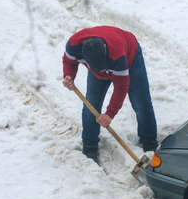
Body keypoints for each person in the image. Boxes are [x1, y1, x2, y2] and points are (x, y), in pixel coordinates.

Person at [62, 25, 158, 163]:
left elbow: (121, 87)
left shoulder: (117, 55)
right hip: (96, 70)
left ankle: (150, 144)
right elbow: (68, 61)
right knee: (91, 105)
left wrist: (109, 114)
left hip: (131, 57)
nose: (103, 71)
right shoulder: (74, 46)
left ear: (105, 50)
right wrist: (69, 76)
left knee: (141, 103)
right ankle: (90, 146)